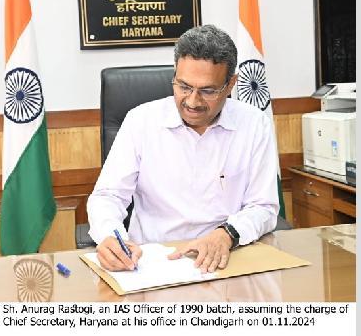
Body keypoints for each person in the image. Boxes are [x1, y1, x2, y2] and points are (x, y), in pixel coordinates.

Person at [87, 24, 279, 273]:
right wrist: (110, 237)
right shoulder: (141, 121)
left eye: (207, 91)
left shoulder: (254, 125)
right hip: (152, 261)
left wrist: (227, 234)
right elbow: (108, 196)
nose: (192, 101)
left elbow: (263, 206)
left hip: (226, 256)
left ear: (231, 84)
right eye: (184, 87)